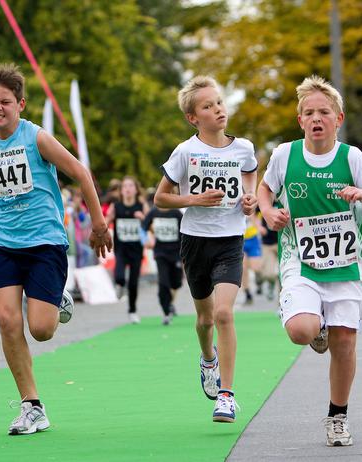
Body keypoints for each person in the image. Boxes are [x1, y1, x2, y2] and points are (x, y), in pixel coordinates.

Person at [0, 64, 112, 436]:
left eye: (4, 102)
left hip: (44, 240)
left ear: (21, 104)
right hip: (1, 244)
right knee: (7, 321)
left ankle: (53, 298)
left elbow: (81, 173)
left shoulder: (37, 138)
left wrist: (98, 225)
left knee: (42, 330)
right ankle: (31, 405)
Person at [257, 75, 362, 447]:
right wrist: (268, 211)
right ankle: (316, 327)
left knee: (345, 341)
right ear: (300, 120)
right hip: (301, 261)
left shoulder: (353, 158)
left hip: (347, 265)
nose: (317, 118)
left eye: (324, 112)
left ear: (338, 118)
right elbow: (265, 189)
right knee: (301, 331)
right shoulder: (285, 154)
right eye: (309, 112)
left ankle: (337, 415)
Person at [154, 75, 258, 423]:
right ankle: (207, 359)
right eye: (208, 106)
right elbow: (161, 197)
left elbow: (250, 177)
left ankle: (226, 395)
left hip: (230, 240)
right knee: (204, 319)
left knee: (224, 314)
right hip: (195, 240)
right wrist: (193, 199)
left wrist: (249, 201)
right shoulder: (186, 151)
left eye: (219, 103)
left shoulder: (242, 147)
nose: (217, 109)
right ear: (193, 118)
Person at [105, 176, 149, 324]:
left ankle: (132, 310)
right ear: (121, 191)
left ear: (136, 189)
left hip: (136, 249)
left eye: (131, 186)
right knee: (119, 276)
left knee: (134, 283)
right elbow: (106, 222)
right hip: (121, 247)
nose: (128, 189)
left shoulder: (141, 205)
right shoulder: (116, 206)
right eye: (125, 186)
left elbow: (150, 223)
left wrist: (142, 218)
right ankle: (119, 285)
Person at [143, 185, 183, 325]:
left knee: (176, 283)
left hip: (176, 253)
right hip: (160, 252)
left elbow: (185, 233)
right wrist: (145, 240)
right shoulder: (153, 213)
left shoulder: (177, 213)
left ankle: (169, 304)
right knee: (163, 283)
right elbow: (143, 227)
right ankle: (166, 311)